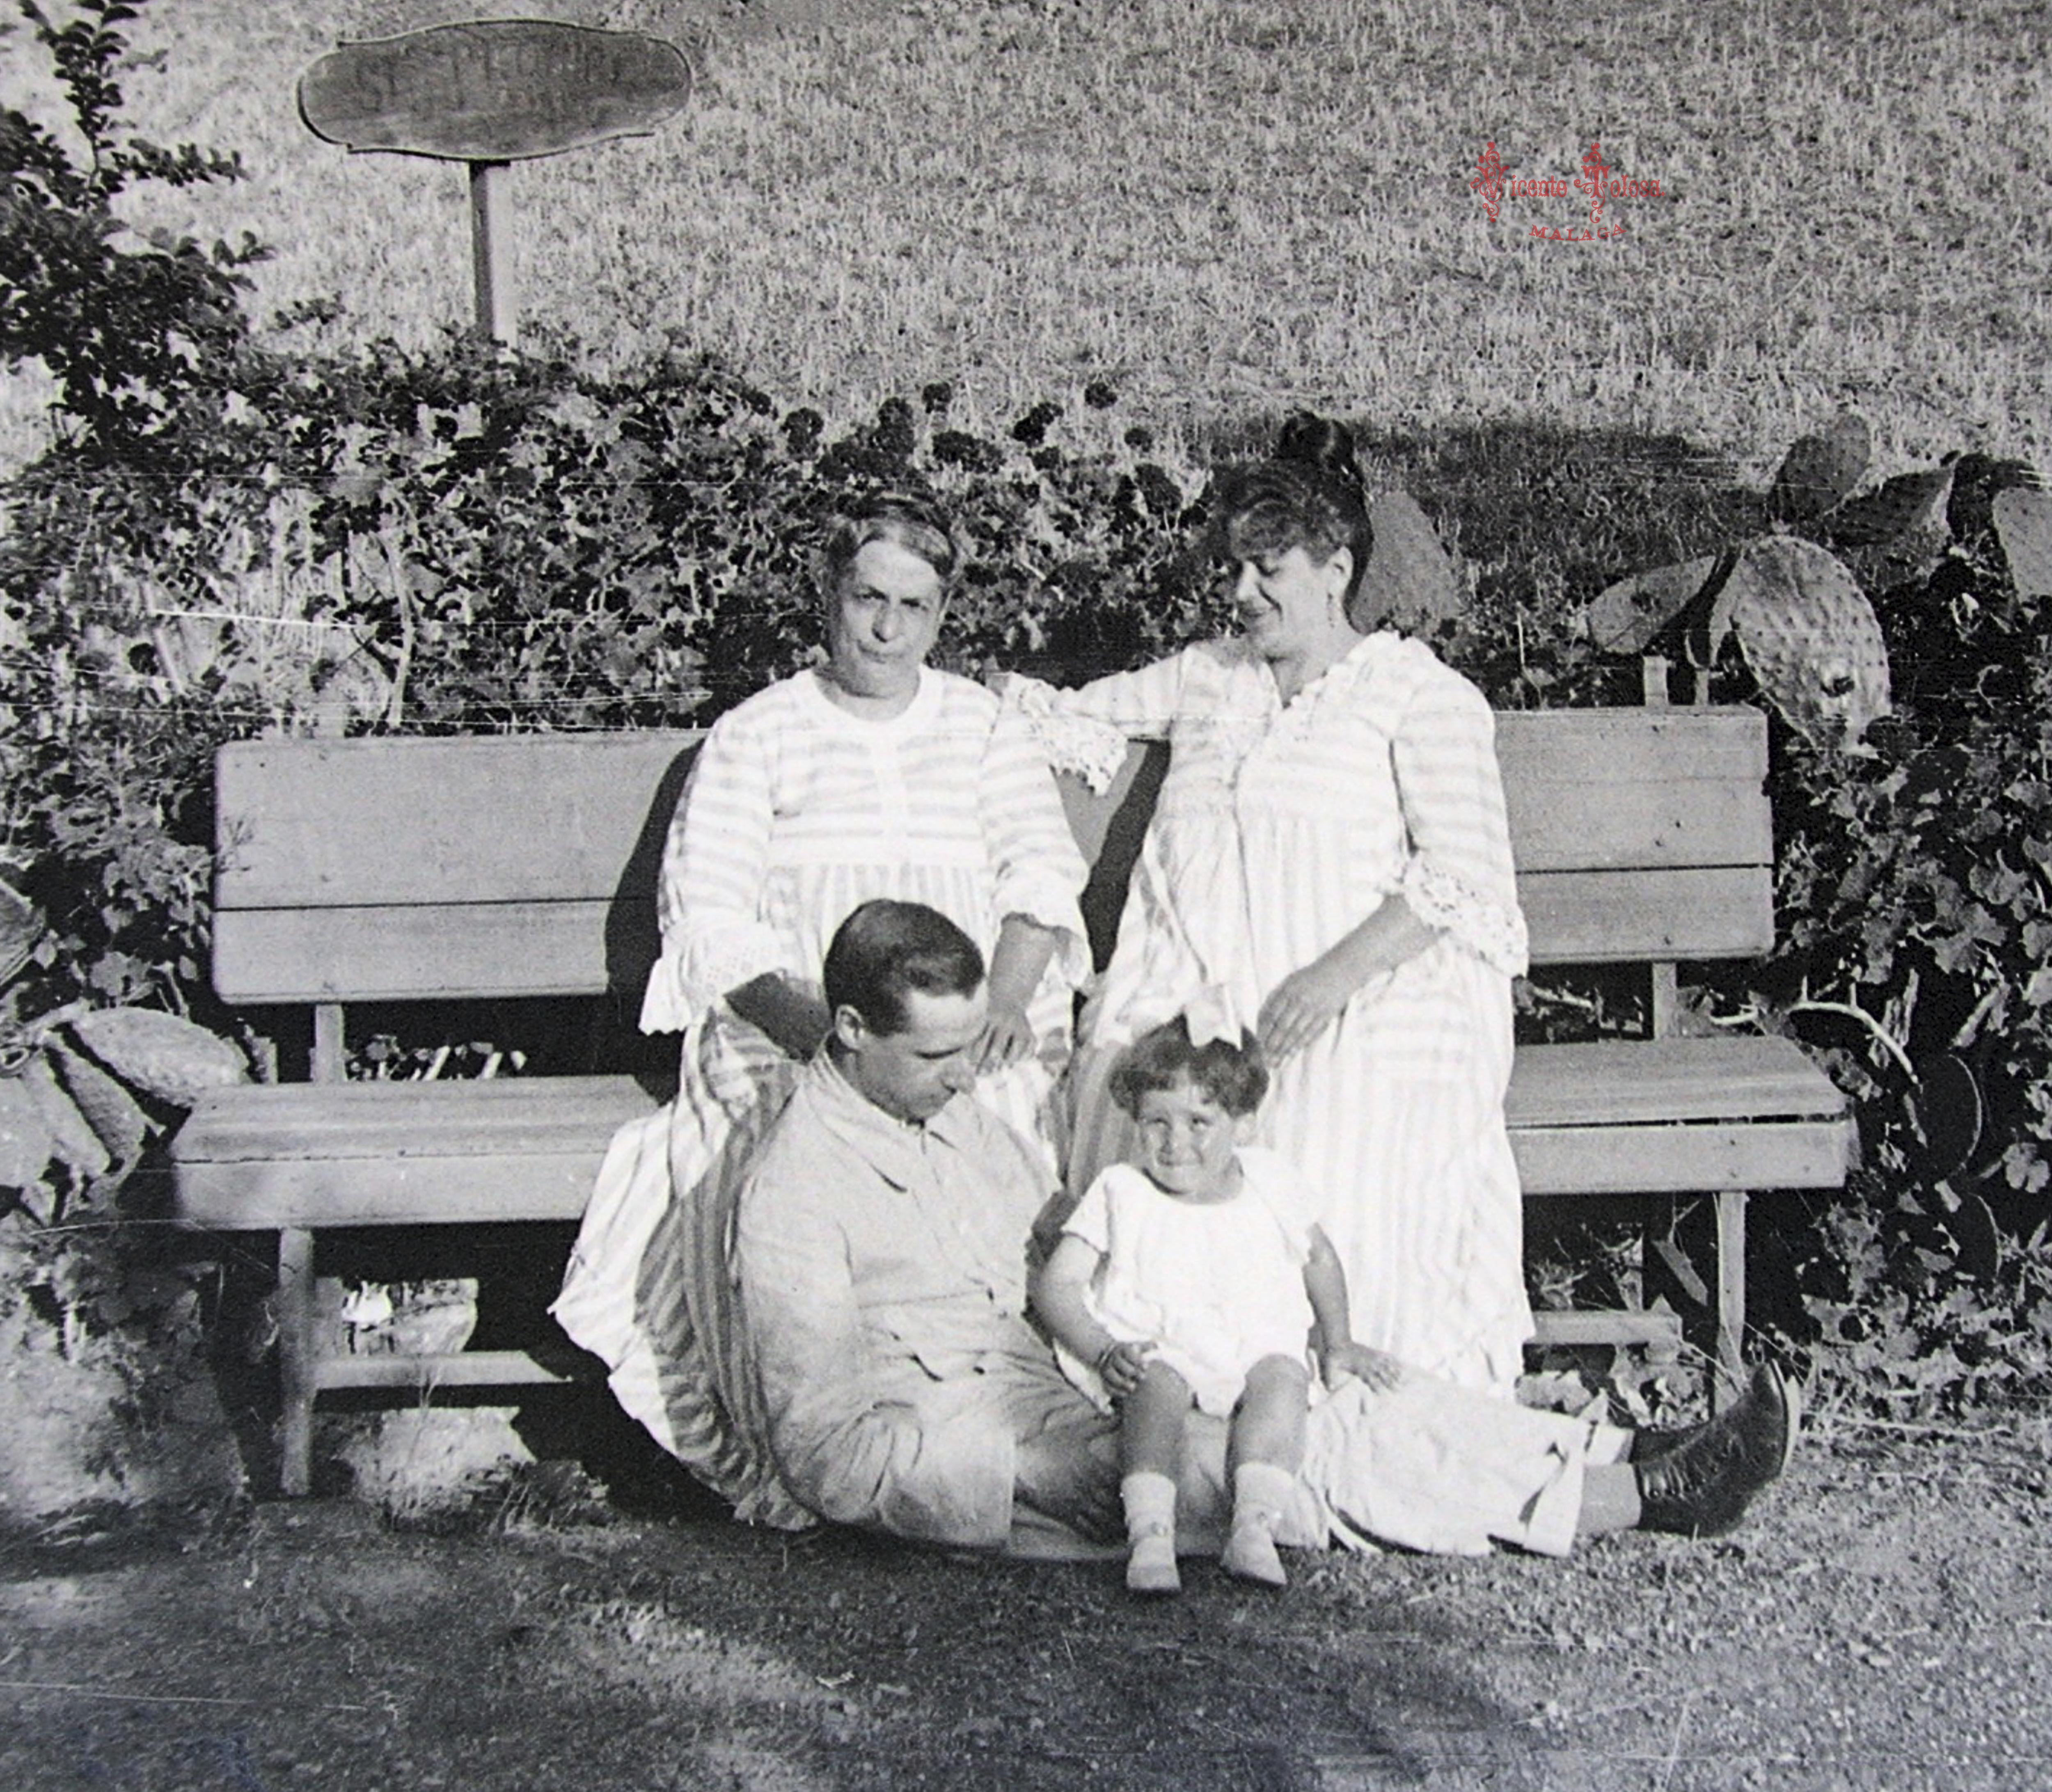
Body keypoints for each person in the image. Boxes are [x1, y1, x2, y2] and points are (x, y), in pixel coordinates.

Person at [735, 901, 1799, 1564]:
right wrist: (1025, 1469)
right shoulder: (796, 1194)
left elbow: (1067, 1251)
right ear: (851, 1032)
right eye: (937, 1060)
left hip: (1097, 1384)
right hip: (1020, 1462)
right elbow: (828, 1457)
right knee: (1315, 1452)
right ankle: (1649, 1498)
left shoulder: (946, 1114)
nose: (968, 1081)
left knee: (1344, 1384)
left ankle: (1619, 1448)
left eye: (972, 1052)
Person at [552, 493, 1093, 1522]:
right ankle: (831, 1434)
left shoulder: (982, 729)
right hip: (794, 1025)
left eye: (915, 606)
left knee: (1004, 1128)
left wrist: (1006, 1002)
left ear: (943, 615)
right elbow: (708, 921)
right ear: (830, 597)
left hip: (959, 1021)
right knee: (778, 1146)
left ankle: (1001, 1412)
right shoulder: (757, 736)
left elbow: (1039, 879)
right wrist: (831, 1042)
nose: (888, 629)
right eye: (868, 599)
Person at [1017, 412, 1534, 1396]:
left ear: (1336, 569)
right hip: (1200, 982)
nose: (1242, 593)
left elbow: (1462, 874)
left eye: (1269, 571)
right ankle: (1185, 1394)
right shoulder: (1208, 679)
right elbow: (1066, 720)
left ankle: (1346, 1388)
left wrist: (1325, 980)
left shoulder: (1415, 696)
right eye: (1232, 570)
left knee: (1342, 1113)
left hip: (1360, 986)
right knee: (1149, 1073)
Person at [1032, 1017, 1402, 1594]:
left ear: (1244, 1124)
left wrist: (1339, 1343)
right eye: (1157, 1122)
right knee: (1155, 1388)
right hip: (1157, 1340)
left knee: (1282, 1378)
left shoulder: (1271, 1181)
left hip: (1253, 1338)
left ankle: (1254, 1526)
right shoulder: (1121, 1190)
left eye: (1199, 1122)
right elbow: (1057, 1286)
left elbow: (1319, 1260)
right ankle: (1151, 1533)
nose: (1175, 1143)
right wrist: (1104, 1352)